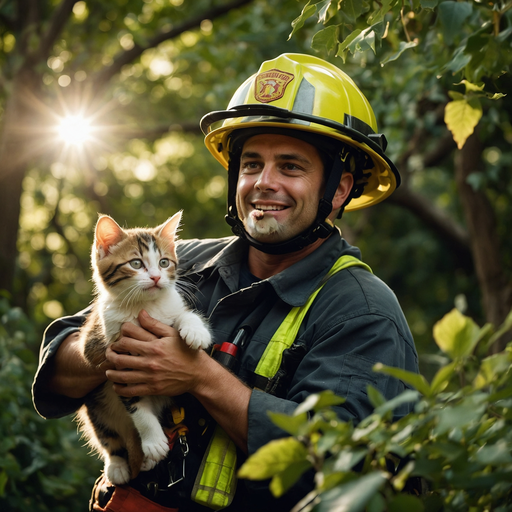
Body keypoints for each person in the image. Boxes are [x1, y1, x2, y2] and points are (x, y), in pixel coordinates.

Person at [32, 53, 419, 511]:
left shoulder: (363, 311)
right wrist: (111, 348)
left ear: (337, 189)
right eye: (252, 164)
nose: (263, 183)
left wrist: (198, 375)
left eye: (291, 167)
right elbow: (56, 367)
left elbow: (345, 465)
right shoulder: (185, 261)